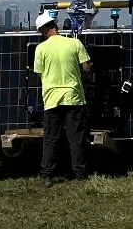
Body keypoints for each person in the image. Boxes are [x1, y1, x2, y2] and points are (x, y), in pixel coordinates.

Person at [33, 12, 92, 187]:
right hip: (73, 97)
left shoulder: (40, 49)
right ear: (55, 26)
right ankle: (80, 174)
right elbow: (87, 67)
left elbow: (39, 73)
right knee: (75, 138)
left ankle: (47, 175)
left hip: (51, 99)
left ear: (43, 30)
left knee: (51, 138)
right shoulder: (74, 43)